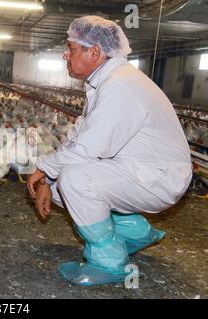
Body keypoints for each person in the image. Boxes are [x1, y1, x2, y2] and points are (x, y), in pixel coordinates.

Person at [27, 16, 192, 286]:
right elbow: (80, 135)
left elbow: (89, 148)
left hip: (158, 177)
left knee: (75, 182)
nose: (64, 55)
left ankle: (109, 263)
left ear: (94, 52)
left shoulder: (119, 85)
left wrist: (45, 168)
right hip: (138, 170)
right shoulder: (106, 81)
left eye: (71, 48)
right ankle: (134, 232)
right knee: (60, 188)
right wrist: (48, 176)